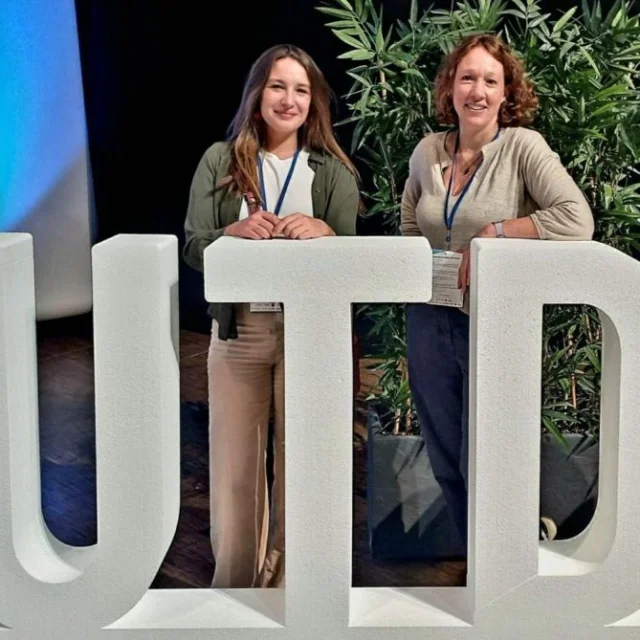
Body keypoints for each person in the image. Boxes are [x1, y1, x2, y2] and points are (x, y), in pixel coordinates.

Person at [400, 34, 594, 553]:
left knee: (489, 452)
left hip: (493, 322)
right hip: (428, 318)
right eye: (467, 78)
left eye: (490, 79)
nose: (477, 90)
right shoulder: (426, 152)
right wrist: (419, 270)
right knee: (443, 452)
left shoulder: (522, 148)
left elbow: (577, 219)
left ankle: (509, 561)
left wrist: (497, 233)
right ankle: (477, 565)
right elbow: (407, 222)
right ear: (450, 87)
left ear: (507, 91)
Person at [183, 44, 359, 588]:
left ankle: (289, 595)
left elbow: (353, 263)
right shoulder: (220, 160)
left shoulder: (331, 171)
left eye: (301, 90)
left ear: (315, 102)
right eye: (278, 86)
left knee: (300, 469)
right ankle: (234, 595)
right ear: (257, 95)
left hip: (309, 335)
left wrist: (328, 234)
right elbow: (193, 245)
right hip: (239, 332)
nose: (289, 99)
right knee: (236, 473)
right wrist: (229, 235)